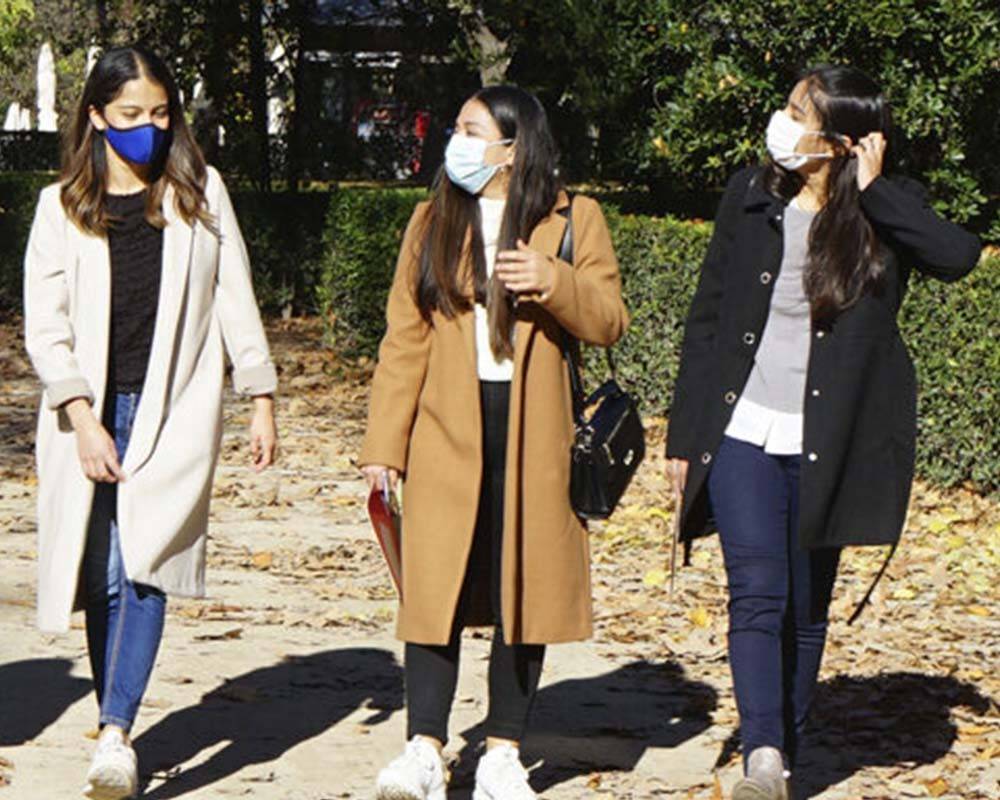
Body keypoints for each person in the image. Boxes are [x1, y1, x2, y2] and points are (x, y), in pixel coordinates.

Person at [665, 64, 981, 800]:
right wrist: (685, 437)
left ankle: (789, 748)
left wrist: (874, 192)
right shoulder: (750, 196)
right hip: (743, 427)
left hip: (828, 439)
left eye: (800, 112)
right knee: (758, 590)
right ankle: (764, 755)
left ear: (842, 138)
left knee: (807, 608)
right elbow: (706, 319)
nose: (783, 121)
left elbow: (958, 256)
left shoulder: (884, 215)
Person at [23, 45, 278, 800]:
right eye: (131, 115)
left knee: (148, 565)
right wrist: (81, 415)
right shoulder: (58, 207)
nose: (149, 128)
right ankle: (114, 716)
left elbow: (236, 298)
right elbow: (47, 325)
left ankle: (115, 732)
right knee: (102, 572)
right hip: (90, 414)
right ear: (97, 117)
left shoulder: (201, 194)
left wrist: (259, 394)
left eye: (160, 114)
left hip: (177, 409)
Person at [359, 84, 628, 800]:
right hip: (444, 426)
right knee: (432, 588)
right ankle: (424, 746)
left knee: (523, 587)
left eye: (472, 129)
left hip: (535, 430)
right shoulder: (431, 220)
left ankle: (504, 750)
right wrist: (383, 447)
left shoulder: (576, 218)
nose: (457, 141)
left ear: (514, 146)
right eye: (456, 128)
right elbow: (403, 341)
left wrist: (553, 280)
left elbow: (608, 320)